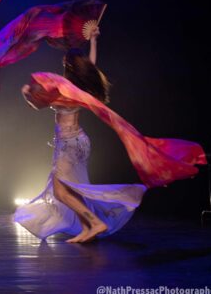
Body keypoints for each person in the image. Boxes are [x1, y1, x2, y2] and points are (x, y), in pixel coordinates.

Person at [15, 28, 146, 243]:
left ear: (68, 66)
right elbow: (92, 67)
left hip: (69, 144)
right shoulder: (78, 88)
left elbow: (40, 105)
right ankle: (87, 228)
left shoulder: (66, 91)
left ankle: (95, 222)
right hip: (78, 142)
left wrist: (27, 94)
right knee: (72, 190)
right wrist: (93, 40)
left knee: (60, 192)